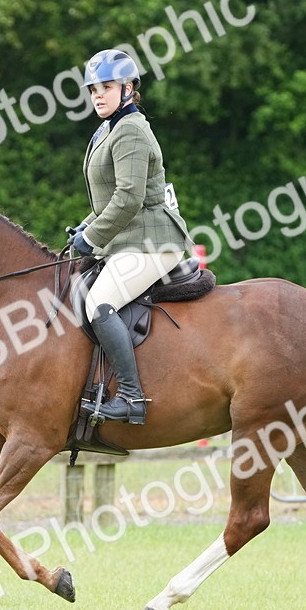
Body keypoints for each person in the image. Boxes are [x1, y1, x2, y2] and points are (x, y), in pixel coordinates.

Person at [69, 48, 194, 425]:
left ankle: (130, 397)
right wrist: (85, 227)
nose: (98, 96)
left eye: (107, 87)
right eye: (93, 90)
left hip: (153, 242)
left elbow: (128, 198)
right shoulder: (108, 129)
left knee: (99, 304)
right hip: (129, 239)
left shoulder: (132, 130)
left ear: (128, 89)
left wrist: (92, 238)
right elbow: (109, 199)